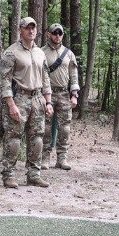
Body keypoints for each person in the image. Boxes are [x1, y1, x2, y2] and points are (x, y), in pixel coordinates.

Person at [0, 16, 53, 188]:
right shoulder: (11, 52)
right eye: (27, 28)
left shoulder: (40, 52)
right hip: (19, 98)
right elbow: (4, 80)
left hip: (37, 98)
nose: (31, 31)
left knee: (37, 137)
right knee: (14, 137)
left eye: (33, 28)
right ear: (20, 30)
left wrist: (48, 101)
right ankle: (9, 175)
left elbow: (45, 78)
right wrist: (11, 104)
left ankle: (34, 174)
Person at [41, 23, 80, 171]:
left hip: (64, 94)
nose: (57, 36)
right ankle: (45, 157)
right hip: (47, 94)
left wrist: (74, 95)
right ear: (49, 34)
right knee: (45, 128)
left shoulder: (69, 54)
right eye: (54, 33)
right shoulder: (41, 52)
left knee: (65, 128)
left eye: (60, 33)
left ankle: (62, 158)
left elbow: (74, 75)